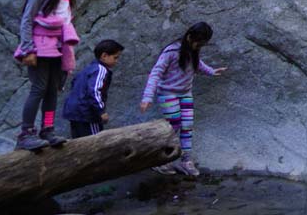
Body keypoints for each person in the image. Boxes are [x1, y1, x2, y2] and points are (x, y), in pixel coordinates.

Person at [13, 0, 80, 151]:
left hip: (57, 47)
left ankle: (47, 129)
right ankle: (26, 133)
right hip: (40, 47)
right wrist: (28, 49)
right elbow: (27, 19)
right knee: (39, 88)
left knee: (52, 89)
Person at [140, 22, 226, 176]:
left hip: (185, 94)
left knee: (187, 126)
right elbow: (156, 72)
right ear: (189, 36)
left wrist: (211, 71)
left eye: (201, 44)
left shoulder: (193, 51)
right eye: (197, 42)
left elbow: (197, 65)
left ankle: (185, 160)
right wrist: (147, 96)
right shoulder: (172, 51)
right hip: (168, 94)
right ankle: (161, 160)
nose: (198, 46)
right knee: (174, 125)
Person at [63, 39, 124, 138]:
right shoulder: (101, 70)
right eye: (115, 57)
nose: (116, 61)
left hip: (73, 111)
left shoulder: (88, 69)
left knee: (79, 142)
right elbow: (94, 91)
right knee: (95, 140)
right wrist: (101, 111)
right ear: (104, 56)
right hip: (87, 114)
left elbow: (74, 84)